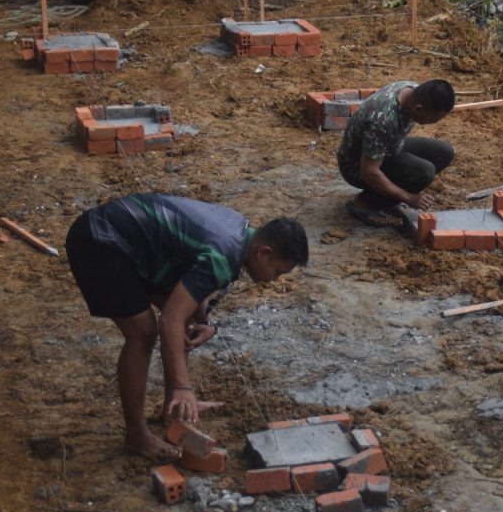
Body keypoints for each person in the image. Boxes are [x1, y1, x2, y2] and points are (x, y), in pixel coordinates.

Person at [65, 193, 308, 458]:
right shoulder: (223, 254)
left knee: (188, 322)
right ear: (264, 252)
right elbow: (170, 319)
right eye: (278, 272)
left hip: (131, 243)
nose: (275, 280)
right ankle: (137, 436)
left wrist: (206, 322)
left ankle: (174, 412)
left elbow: (194, 297)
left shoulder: (240, 232)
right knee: (143, 333)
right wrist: (184, 387)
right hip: (101, 239)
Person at [337, 79, 456, 227]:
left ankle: (388, 198)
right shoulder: (382, 120)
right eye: (433, 119)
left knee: (443, 152)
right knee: (424, 172)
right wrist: (408, 197)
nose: (435, 122)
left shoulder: (412, 91)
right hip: (356, 166)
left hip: (387, 147)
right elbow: (368, 172)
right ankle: (365, 203)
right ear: (418, 109)